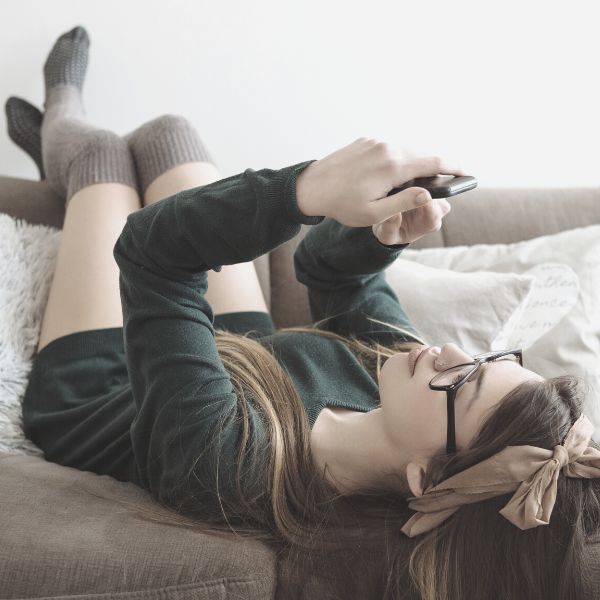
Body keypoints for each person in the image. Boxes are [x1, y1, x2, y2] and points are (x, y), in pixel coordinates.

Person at [7, 26, 600, 600]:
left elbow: (151, 255)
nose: (452, 353)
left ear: (425, 477)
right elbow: (332, 274)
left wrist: (304, 189)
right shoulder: (401, 382)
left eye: (467, 381)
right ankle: (67, 164)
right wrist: (381, 238)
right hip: (241, 351)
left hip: (104, 387)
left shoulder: (232, 462)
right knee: (170, 133)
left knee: (104, 157)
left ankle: (62, 118)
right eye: (489, 358)